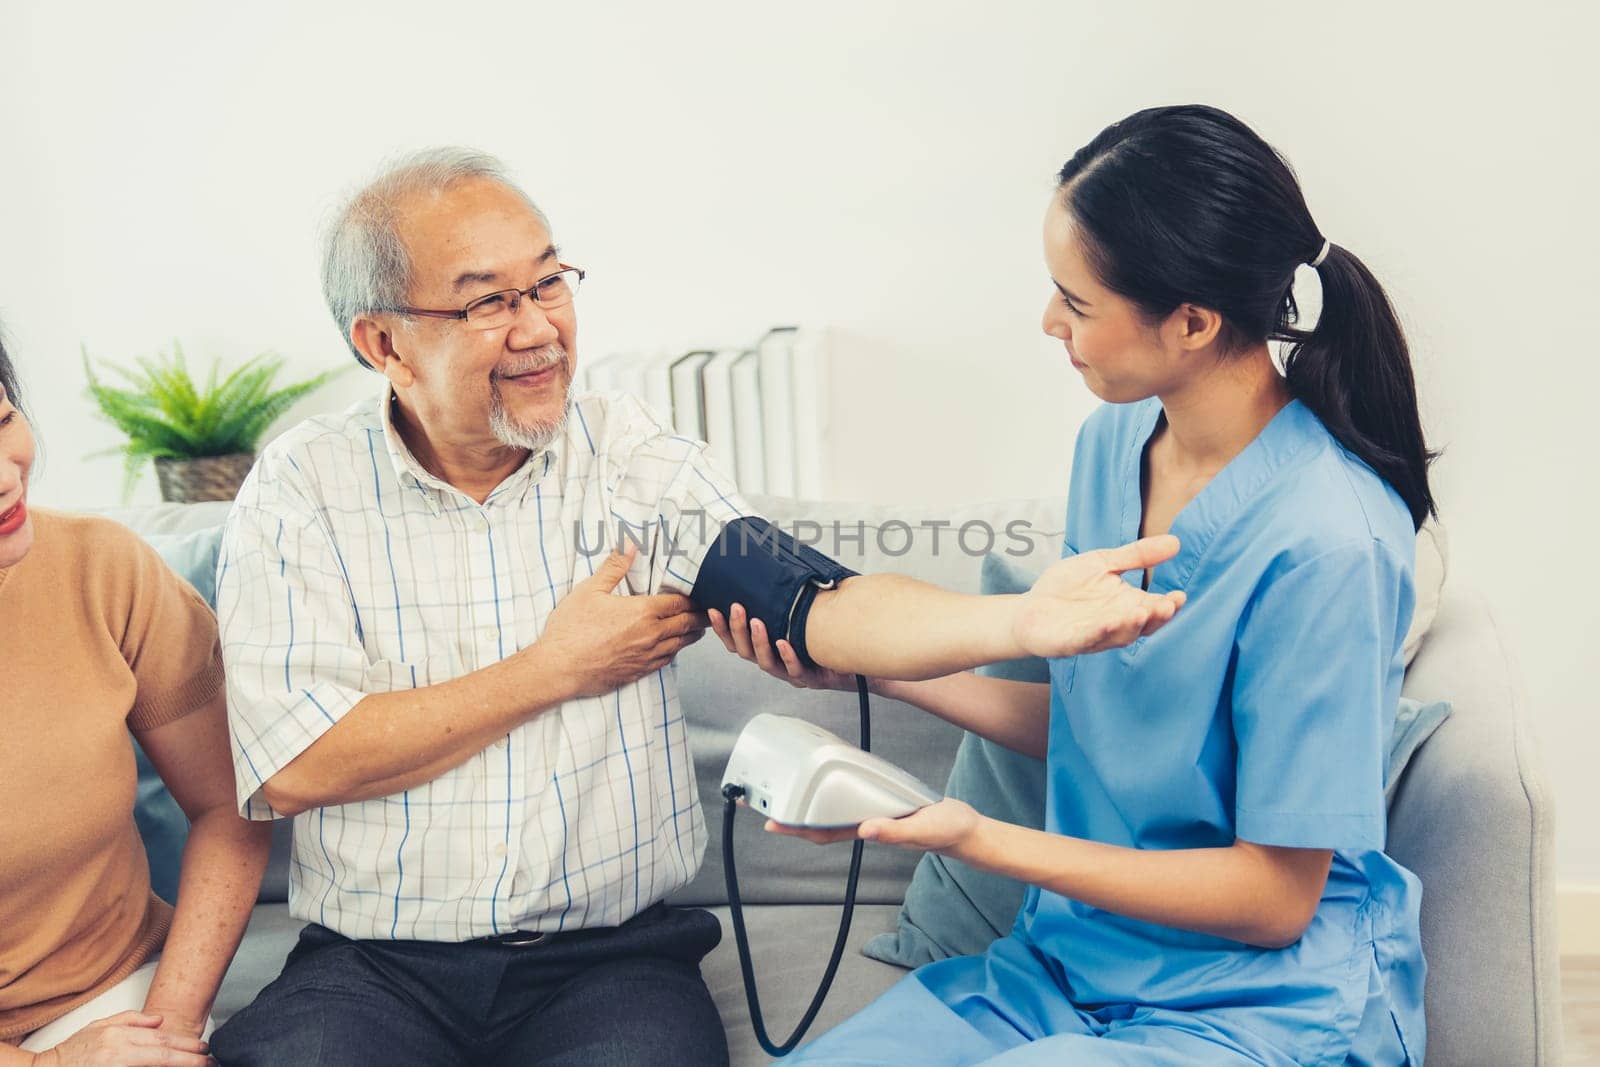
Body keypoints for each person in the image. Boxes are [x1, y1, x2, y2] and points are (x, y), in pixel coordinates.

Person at [207, 148, 1180, 1067]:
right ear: (383, 342)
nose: (540, 327)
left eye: (548, 282)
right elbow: (296, 762)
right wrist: (554, 667)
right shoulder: (303, 490)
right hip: (375, 962)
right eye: (489, 302)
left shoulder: (627, 454)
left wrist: (1012, 623)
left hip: (608, 960)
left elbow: (815, 601)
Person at [716, 104, 1433, 1065]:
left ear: (1192, 320)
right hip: (1064, 968)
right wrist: (873, 672)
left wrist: (976, 838)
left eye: (1078, 302)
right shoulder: (1113, 445)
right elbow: (1119, 735)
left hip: (1255, 1005)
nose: (1051, 322)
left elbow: (1274, 897)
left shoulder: (1330, 542)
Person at [0, 331, 273, 1066]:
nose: (4, 474)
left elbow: (231, 804)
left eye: (1, 421)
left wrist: (169, 1027)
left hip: (112, 991)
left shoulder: (101, 570)